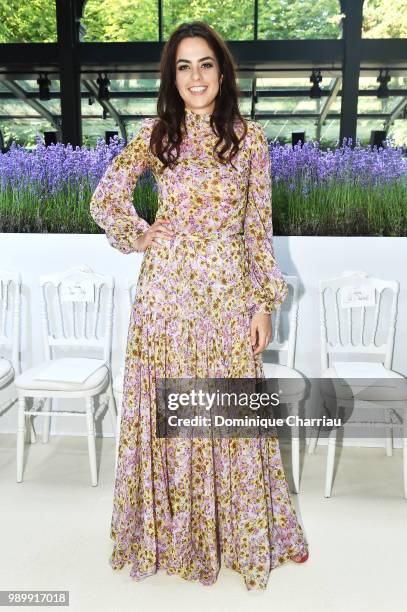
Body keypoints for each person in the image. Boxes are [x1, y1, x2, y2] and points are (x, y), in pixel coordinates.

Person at [90, 20, 308, 591]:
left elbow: (258, 230)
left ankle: (241, 535)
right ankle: (174, 539)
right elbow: (105, 197)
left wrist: (263, 304)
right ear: (172, 75)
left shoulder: (250, 140)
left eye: (205, 64)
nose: (195, 76)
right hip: (165, 298)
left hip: (228, 297)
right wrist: (139, 234)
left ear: (222, 70)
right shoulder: (156, 133)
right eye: (183, 66)